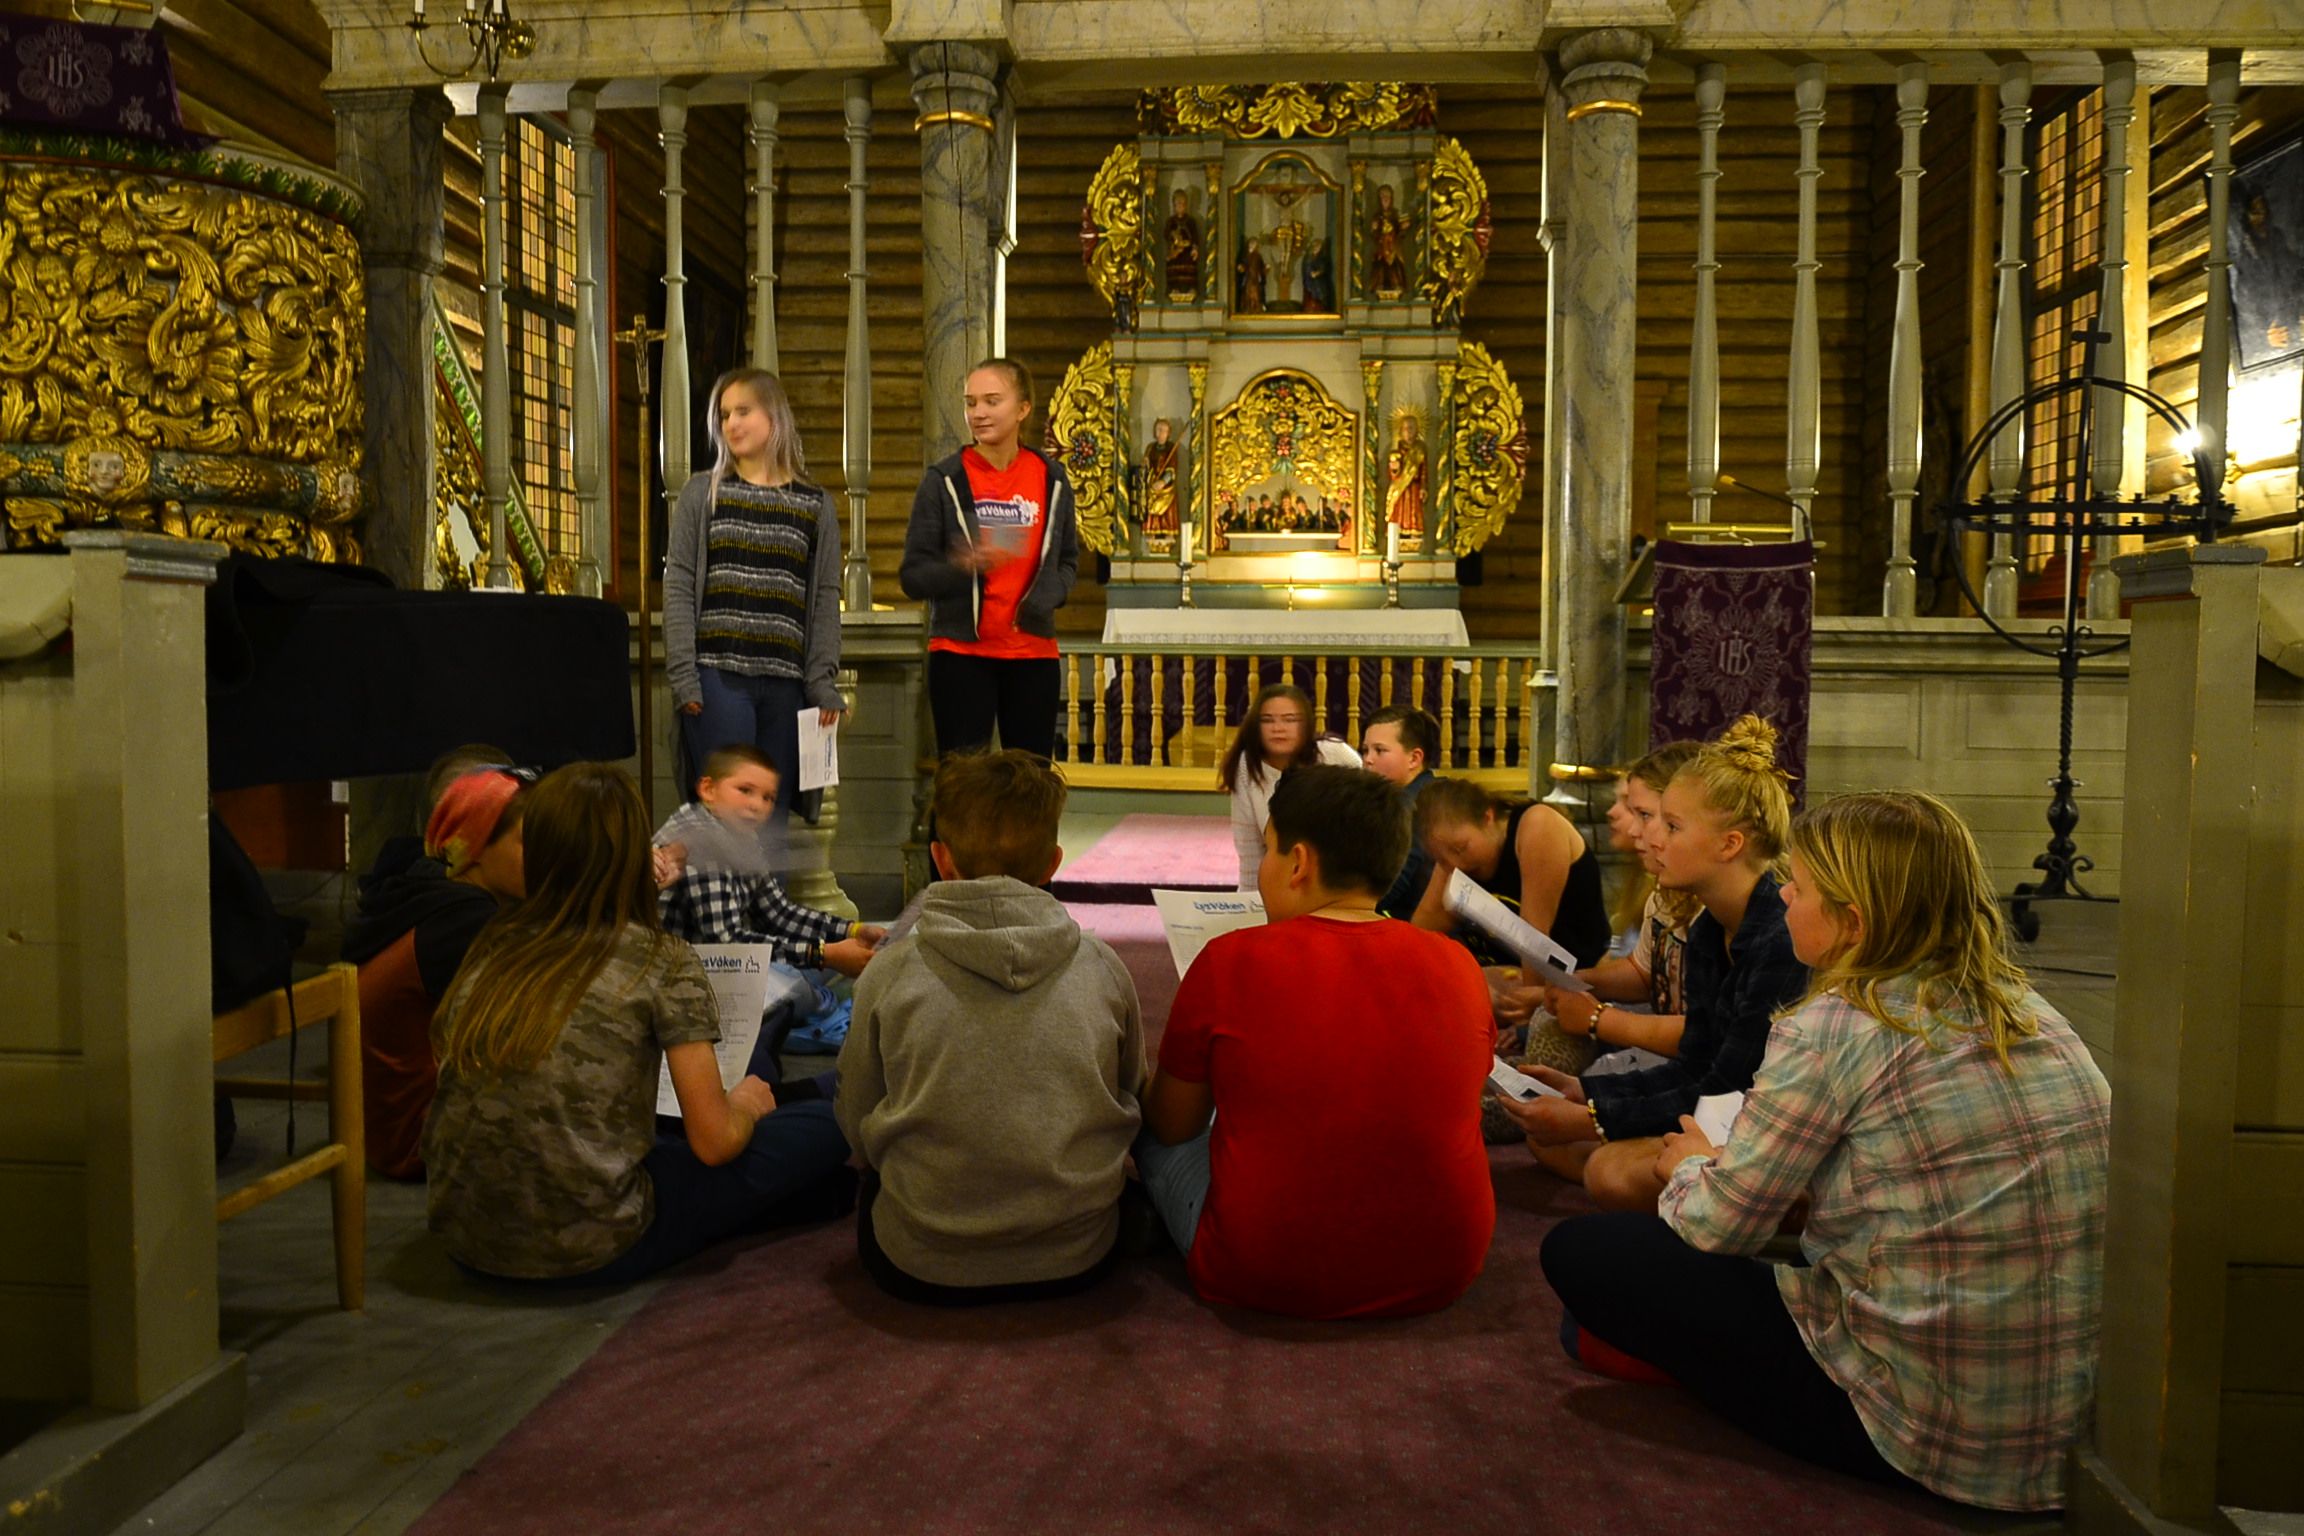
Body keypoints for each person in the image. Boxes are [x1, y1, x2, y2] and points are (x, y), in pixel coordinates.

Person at [1540, 791, 2111, 1512]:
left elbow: (1717, 1226)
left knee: (1586, 1253)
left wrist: (1686, 1166)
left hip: (1930, 1428)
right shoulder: (2033, 1011)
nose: (1782, 895)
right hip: (2071, 1433)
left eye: (1800, 887)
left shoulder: (1835, 1025)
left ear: (1853, 922)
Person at [423, 763, 856, 1285]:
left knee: (715, 1121)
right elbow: (715, 1143)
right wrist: (744, 1106)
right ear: (636, 855)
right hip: (596, 1244)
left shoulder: (491, 942)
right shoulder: (660, 959)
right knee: (829, 1124)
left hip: (464, 1239)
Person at [1136, 765, 1494, 1319]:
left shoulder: (1230, 960)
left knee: (1148, 1129)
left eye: (1269, 849)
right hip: (1443, 1265)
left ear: (1298, 862)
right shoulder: (1459, 964)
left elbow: (1172, 1124)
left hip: (1262, 1269)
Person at [836, 750, 1146, 1305]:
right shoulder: (1103, 966)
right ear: (1053, 863)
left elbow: (857, 1116)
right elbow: (1130, 1091)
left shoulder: (889, 971)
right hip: (1077, 1255)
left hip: (921, 1261)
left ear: (940, 858)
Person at [1494, 716, 1810, 1211]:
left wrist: (1594, 1118)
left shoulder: (1780, 937)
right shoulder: (1709, 929)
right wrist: (1586, 1092)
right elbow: (1695, 1063)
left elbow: (1729, 1090)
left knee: (1608, 1171)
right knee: (1565, 1144)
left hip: (1780, 1129)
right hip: (1725, 1112)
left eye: (1672, 826)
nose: (1653, 838)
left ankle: (1789, 1214)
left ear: (1730, 845)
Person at [664, 368, 844, 830]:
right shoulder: (704, 492)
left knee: (772, 819)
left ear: (774, 416)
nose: (731, 424)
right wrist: (684, 675)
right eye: (725, 415)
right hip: (719, 680)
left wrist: (821, 682)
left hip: (787, 685)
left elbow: (825, 598)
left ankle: (768, 886)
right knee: (725, 818)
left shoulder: (814, 503)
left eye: (743, 411)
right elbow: (679, 583)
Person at [341, 763, 529, 1179]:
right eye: (527, 842)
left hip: (384, 1133)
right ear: (476, 846)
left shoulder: (429, 894)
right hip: (420, 1140)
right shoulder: (465, 923)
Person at [900, 358, 1081, 760]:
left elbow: (1068, 560)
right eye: (971, 403)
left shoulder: (1052, 479)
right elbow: (912, 577)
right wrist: (962, 565)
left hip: (1033, 655)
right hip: (961, 656)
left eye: (991, 401)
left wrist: (1052, 593)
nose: (978, 413)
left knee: (1030, 781)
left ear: (1023, 409)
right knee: (963, 783)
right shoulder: (944, 480)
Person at [654, 743, 883, 978]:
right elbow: (726, 947)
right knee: (809, 983)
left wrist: (851, 931)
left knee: (834, 967)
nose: (756, 805)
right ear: (708, 789)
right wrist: (822, 954)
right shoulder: (699, 839)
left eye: (768, 798)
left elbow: (776, 912)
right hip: (674, 975)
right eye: (744, 790)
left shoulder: (739, 832)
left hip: (712, 967)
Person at [1541, 739, 1706, 1063]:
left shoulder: (1714, 911)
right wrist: (1583, 981)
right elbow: (1645, 972)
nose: (1633, 830)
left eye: (1644, 814)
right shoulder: (1663, 894)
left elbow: (1708, 1036)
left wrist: (1597, 1019)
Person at [1411, 776, 1612, 972]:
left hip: (1570, 980)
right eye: (1441, 860)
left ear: (1487, 818)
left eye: (1461, 848)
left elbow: (1535, 939)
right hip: (1497, 975)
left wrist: (1524, 990)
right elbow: (1420, 937)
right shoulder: (1452, 857)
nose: (1456, 864)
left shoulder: (1538, 826)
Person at [1219, 683, 1362, 890]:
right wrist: (1247, 905)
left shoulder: (1336, 754)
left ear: (1306, 724)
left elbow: (1372, 821)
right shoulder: (1247, 766)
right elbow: (1250, 853)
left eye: (1290, 719)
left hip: (1342, 878)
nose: (1278, 728)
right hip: (1284, 882)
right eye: (1267, 720)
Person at [1359, 704, 1439, 919]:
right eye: (1365, 750)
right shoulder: (1429, 790)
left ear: (1414, 759)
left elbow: (1392, 884)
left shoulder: (1411, 805)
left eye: (1380, 750)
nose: (1368, 759)